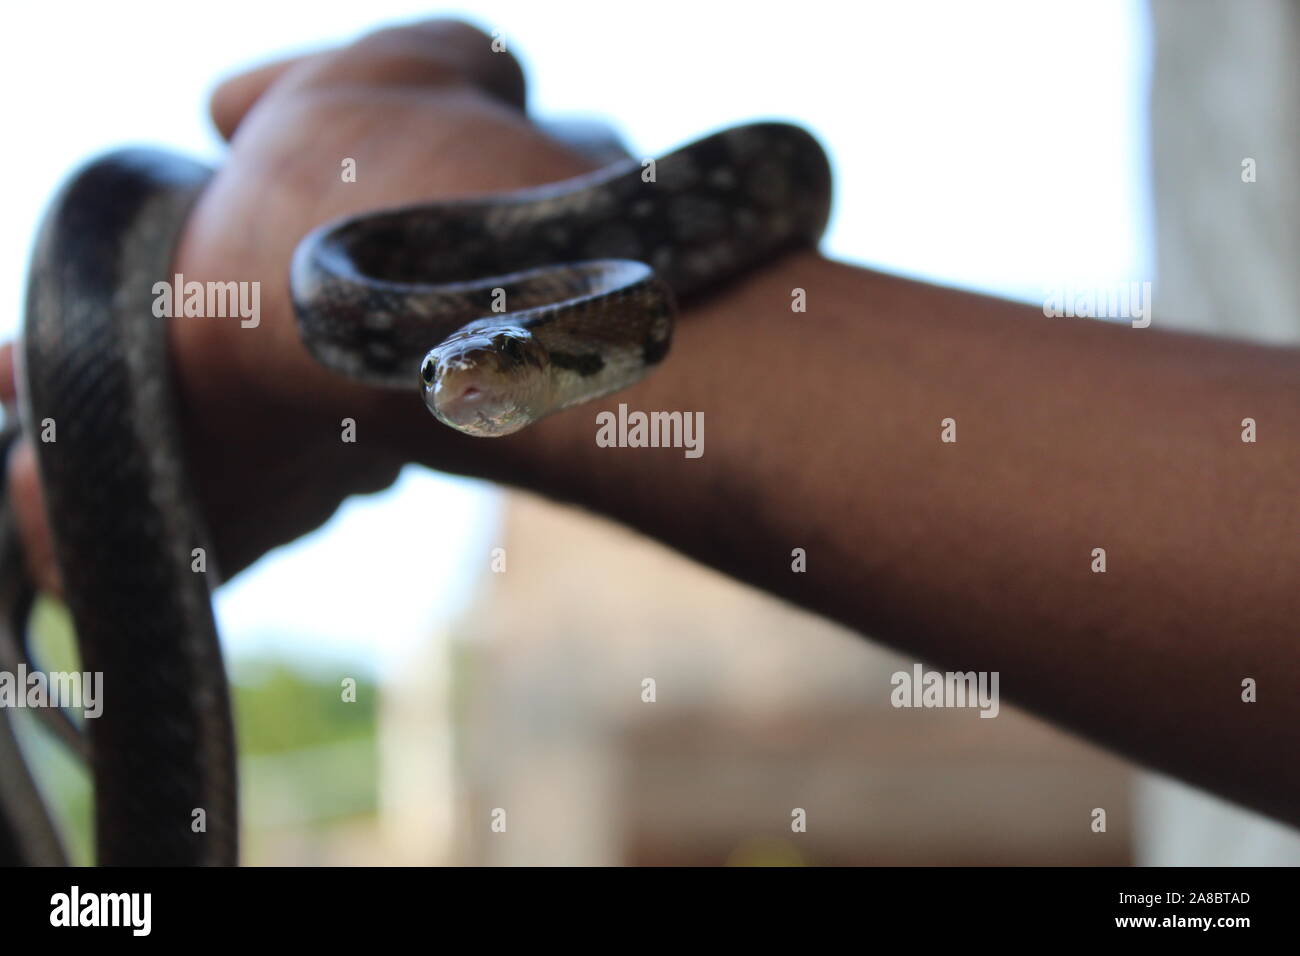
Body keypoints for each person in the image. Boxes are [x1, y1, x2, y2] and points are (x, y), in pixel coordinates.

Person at [2, 19, 1296, 829]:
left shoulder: (587, 312)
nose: (467, 395)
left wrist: (313, 240)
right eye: (457, 376)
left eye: (495, 378)